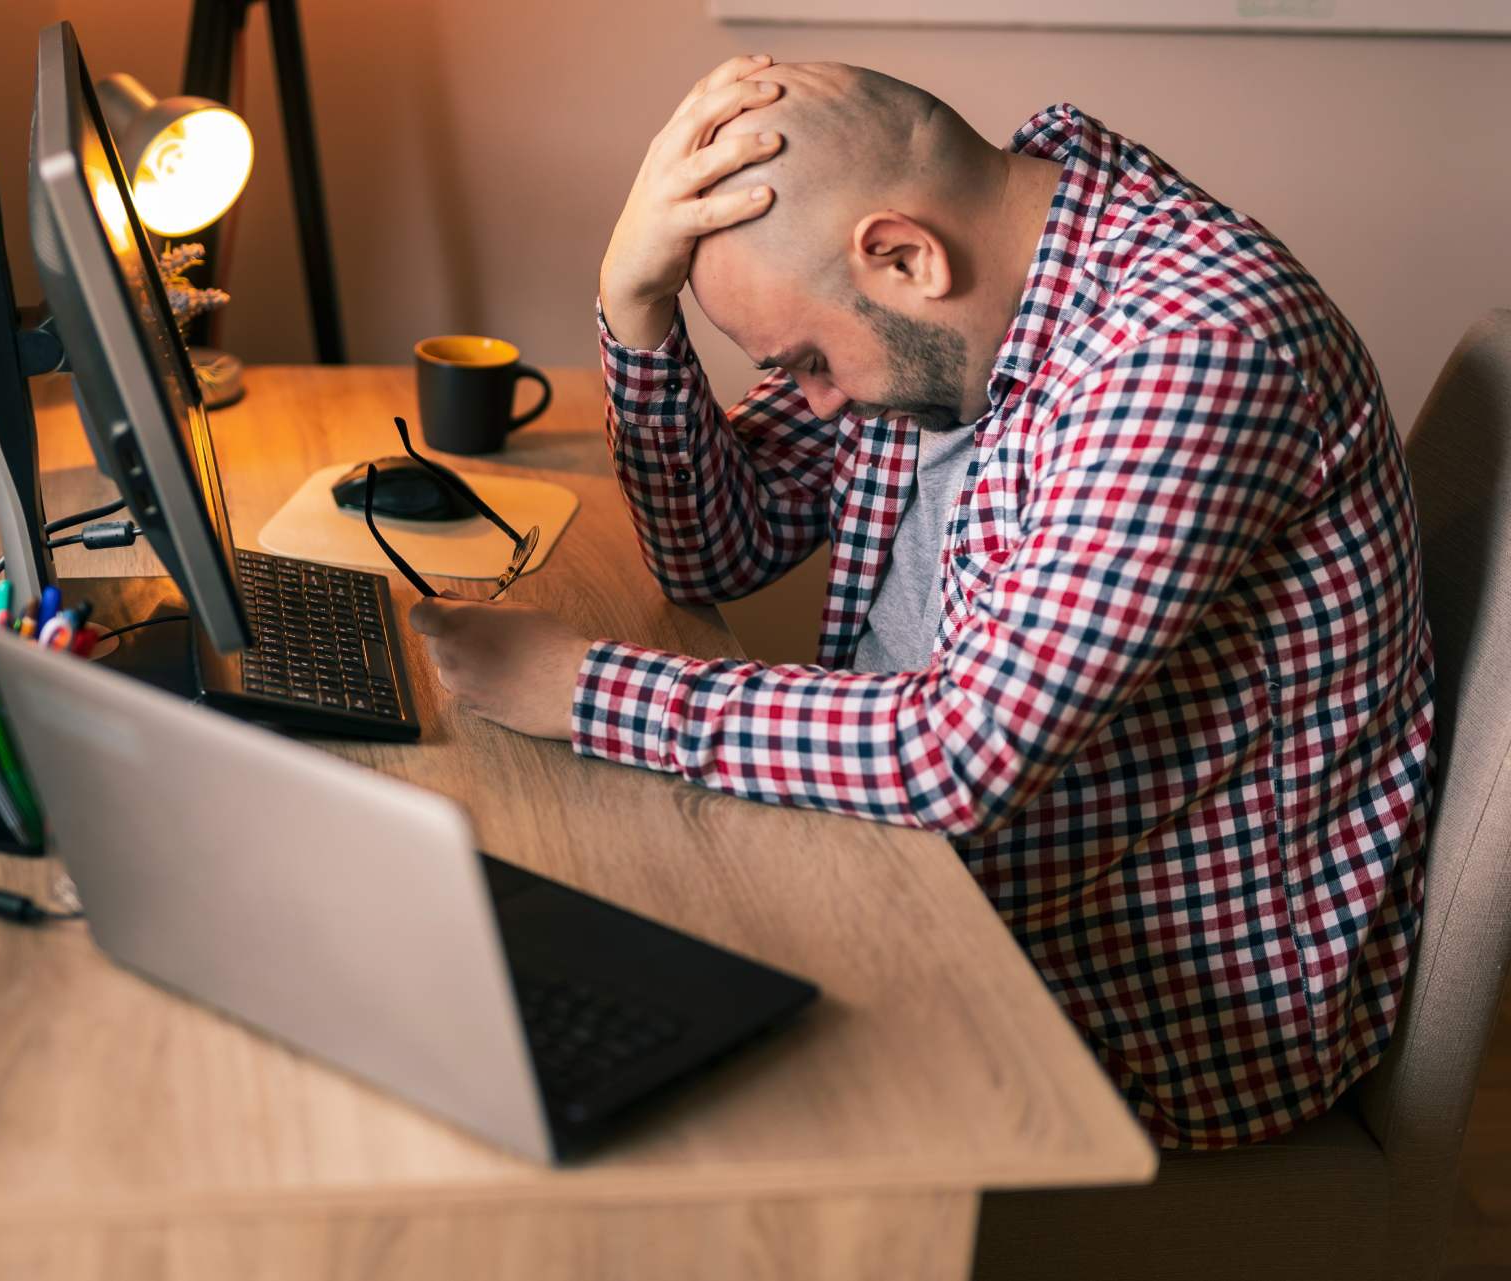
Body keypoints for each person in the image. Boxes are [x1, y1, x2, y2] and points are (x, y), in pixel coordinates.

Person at [407, 56, 1434, 1150]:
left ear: (904, 256)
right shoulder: (981, 267)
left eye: (806, 362)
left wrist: (580, 688)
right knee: (512, 940)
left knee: (589, 1093)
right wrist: (632, 303)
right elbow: (716, 546)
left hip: (1142, 999)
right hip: (912, 865)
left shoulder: (1197, 351)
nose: (807, 400)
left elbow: (956, 757)